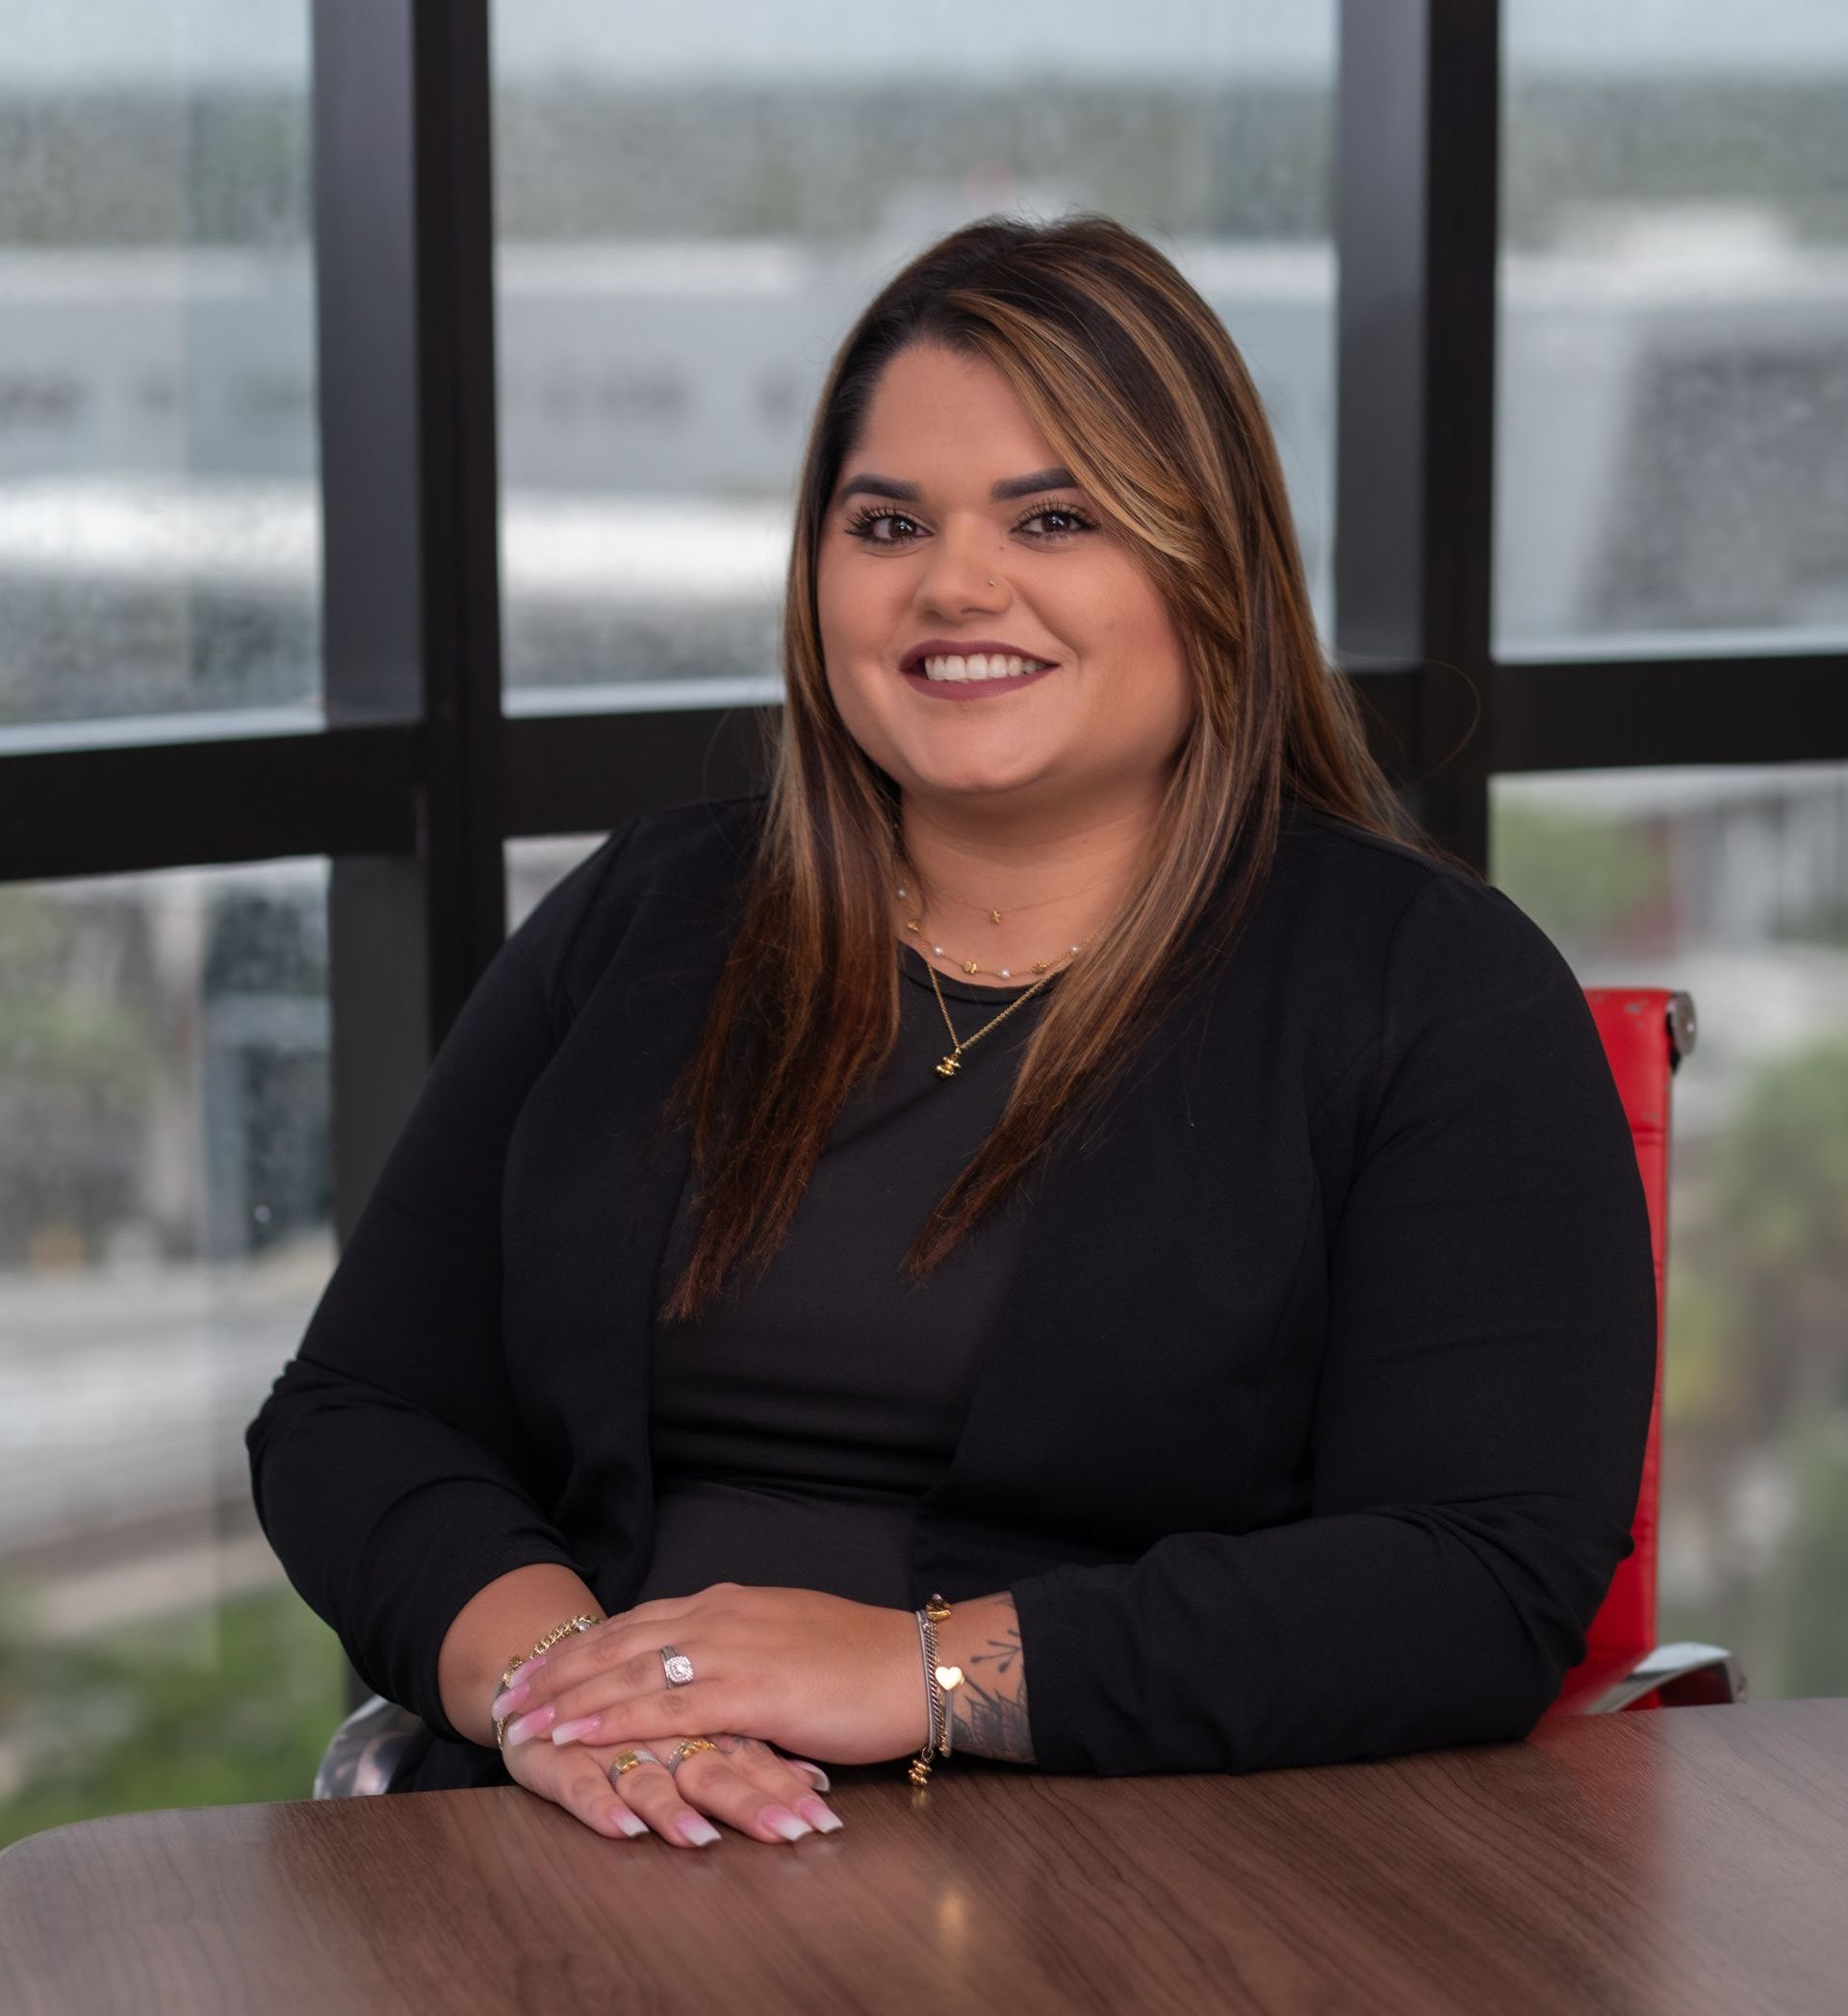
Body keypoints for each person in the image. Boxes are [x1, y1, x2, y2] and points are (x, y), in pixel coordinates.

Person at [245, 212, 1658, 1851]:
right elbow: (353, 1412)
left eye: (1054, 516)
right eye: (888, 521)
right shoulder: (650, 917)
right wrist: (570, 1695)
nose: (955, 585)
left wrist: (914, 1674)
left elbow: (1475, 1579)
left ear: (1213, 565)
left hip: (1145, 1882)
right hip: (594, 1837)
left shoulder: (1432, 988)